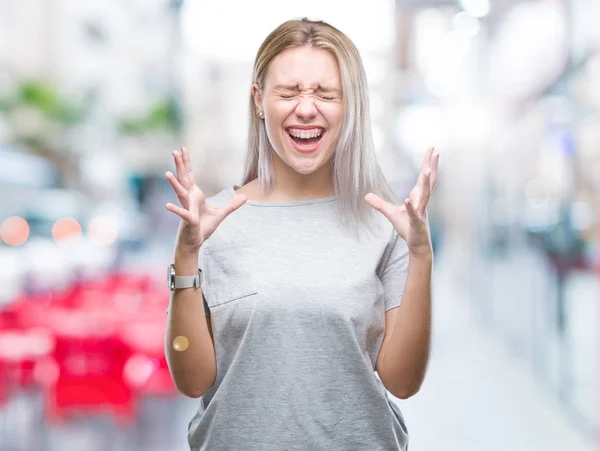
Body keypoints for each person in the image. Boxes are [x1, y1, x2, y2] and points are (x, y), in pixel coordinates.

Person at [164, 17, 439, 451]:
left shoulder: (384, 224)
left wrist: (421, 255)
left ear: (350, 105)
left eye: (326, 94)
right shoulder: (212, 222)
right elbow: (191, 378)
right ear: (259, 100)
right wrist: (186, 257)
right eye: (288, 92)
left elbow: (403, 383)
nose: (306, 108)